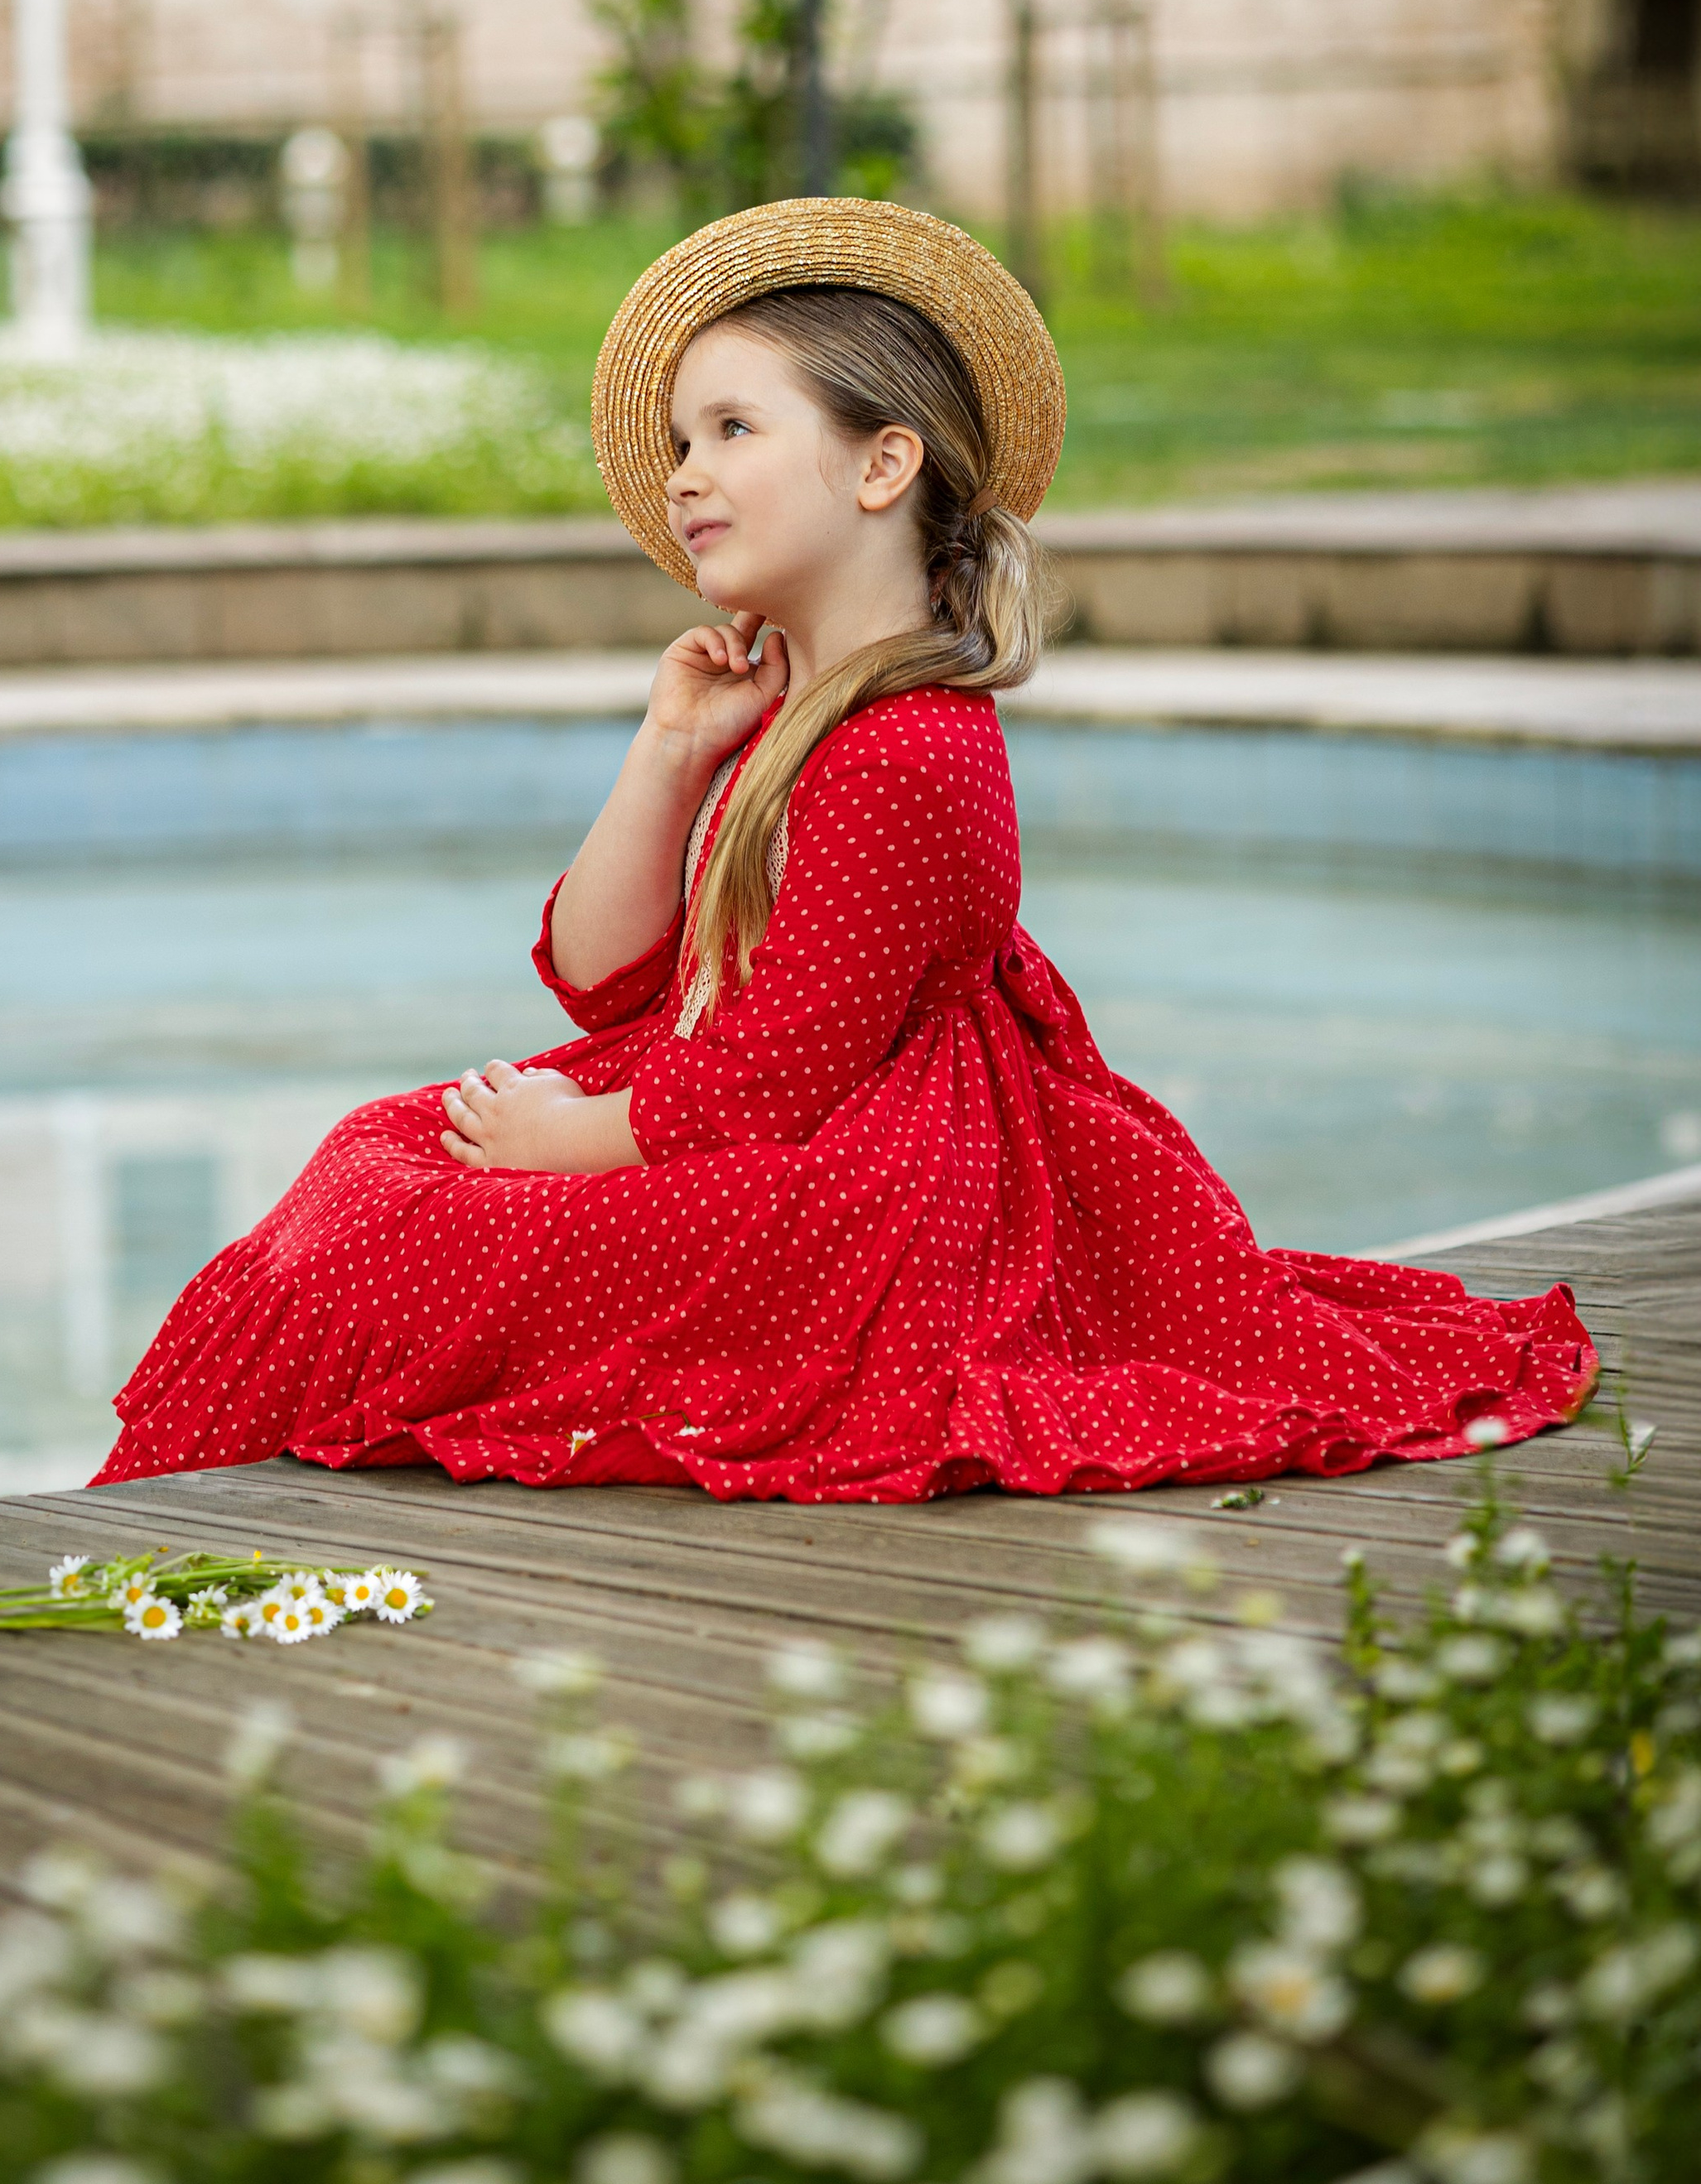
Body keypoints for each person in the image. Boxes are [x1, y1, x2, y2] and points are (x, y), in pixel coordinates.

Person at [94, 202, 1594, 1498]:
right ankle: (222, 1475)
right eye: (681, 442)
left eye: (732, 431)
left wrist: (565, 1141)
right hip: (743, 1122)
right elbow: (601, 974)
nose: (685, 473)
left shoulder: (909, 749)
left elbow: (769, 1081)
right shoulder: (791, 721)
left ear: (883, 466)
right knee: (375, 1157)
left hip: (868, 1200)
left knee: (401, 1223)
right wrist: (671, 748)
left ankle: (215, 1489)